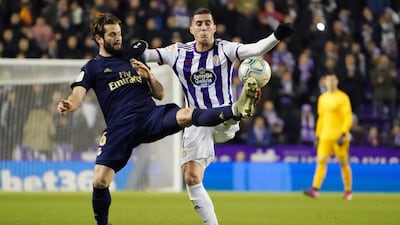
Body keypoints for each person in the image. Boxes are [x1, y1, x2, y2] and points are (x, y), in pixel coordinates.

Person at [57, 13, 259, 225]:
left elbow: (160, 94)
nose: (118, 38)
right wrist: (70, 104)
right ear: (99, 39)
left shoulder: (132, 59)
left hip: (149, 116)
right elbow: (78, 94)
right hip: (120, 127)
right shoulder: (93, 67)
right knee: (100, 181)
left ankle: (235, 110)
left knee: (188, 113)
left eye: (119, 33)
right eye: (112, 35)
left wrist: (150, 77)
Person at [126, 7, 294, 224]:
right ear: (191, 29)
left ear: (214, 27)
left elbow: (255, 50)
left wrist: (276, 35)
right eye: (199, 24)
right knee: (191, 177)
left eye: (207, 23)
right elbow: (147, 55)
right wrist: (136, 48)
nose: (204, 27)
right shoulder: (178, 52)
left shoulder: (225, 49)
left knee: (225, 116)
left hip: (222, 120)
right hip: (196, 122)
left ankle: (237, 108)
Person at [303, 72, 353, 200]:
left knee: (343, 163)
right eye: (328, 80)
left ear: (337, 82)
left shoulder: (343, 98)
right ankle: (315, 189)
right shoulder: (322, 98)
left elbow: (347, 117)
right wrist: (318, 135)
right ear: (325, 82)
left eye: (333, 80)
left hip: (338, 136)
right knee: (320, 162)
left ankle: (348, 191)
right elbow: (321, 118)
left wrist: (343, 133)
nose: (330, 82)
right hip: (325, 135)